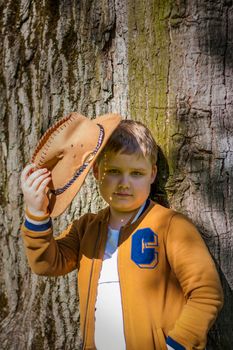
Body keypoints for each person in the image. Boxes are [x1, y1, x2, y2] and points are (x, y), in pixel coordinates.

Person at [20, 114, 223, 350]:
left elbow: (206, 293)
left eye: (136, 173)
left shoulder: (171, 226)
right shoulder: (86, 228)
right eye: (114, 171)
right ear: (96, 172)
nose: (124, 183)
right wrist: (36, 213)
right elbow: (46, 264)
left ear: (152, 174)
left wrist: (177, 345)